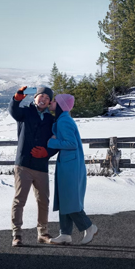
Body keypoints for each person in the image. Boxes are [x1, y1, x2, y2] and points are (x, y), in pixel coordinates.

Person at [8, 85, 59, 247]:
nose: (43, 99)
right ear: (35, 97)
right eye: (41, 96)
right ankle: (17, 235)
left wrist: (47, 152)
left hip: (41, 166)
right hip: (23, 164)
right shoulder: (25, 112)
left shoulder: (52, 120)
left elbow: (57, 141)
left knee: (43, 200)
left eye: (47, 98)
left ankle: (43, 233)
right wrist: (16, 99)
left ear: (50, 102)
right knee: (19, 200)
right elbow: (13, 111)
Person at [46, 94, 99, 245]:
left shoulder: (64, 121)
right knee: (65, 199)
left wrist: (51, 142)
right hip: (68, 164)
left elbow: (71, 143)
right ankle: (65, 234)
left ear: (61, 105)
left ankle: (89, 227)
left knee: (69, 199)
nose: (51, 103)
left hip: (70, 166)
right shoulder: (63, 119)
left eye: (54, 101)